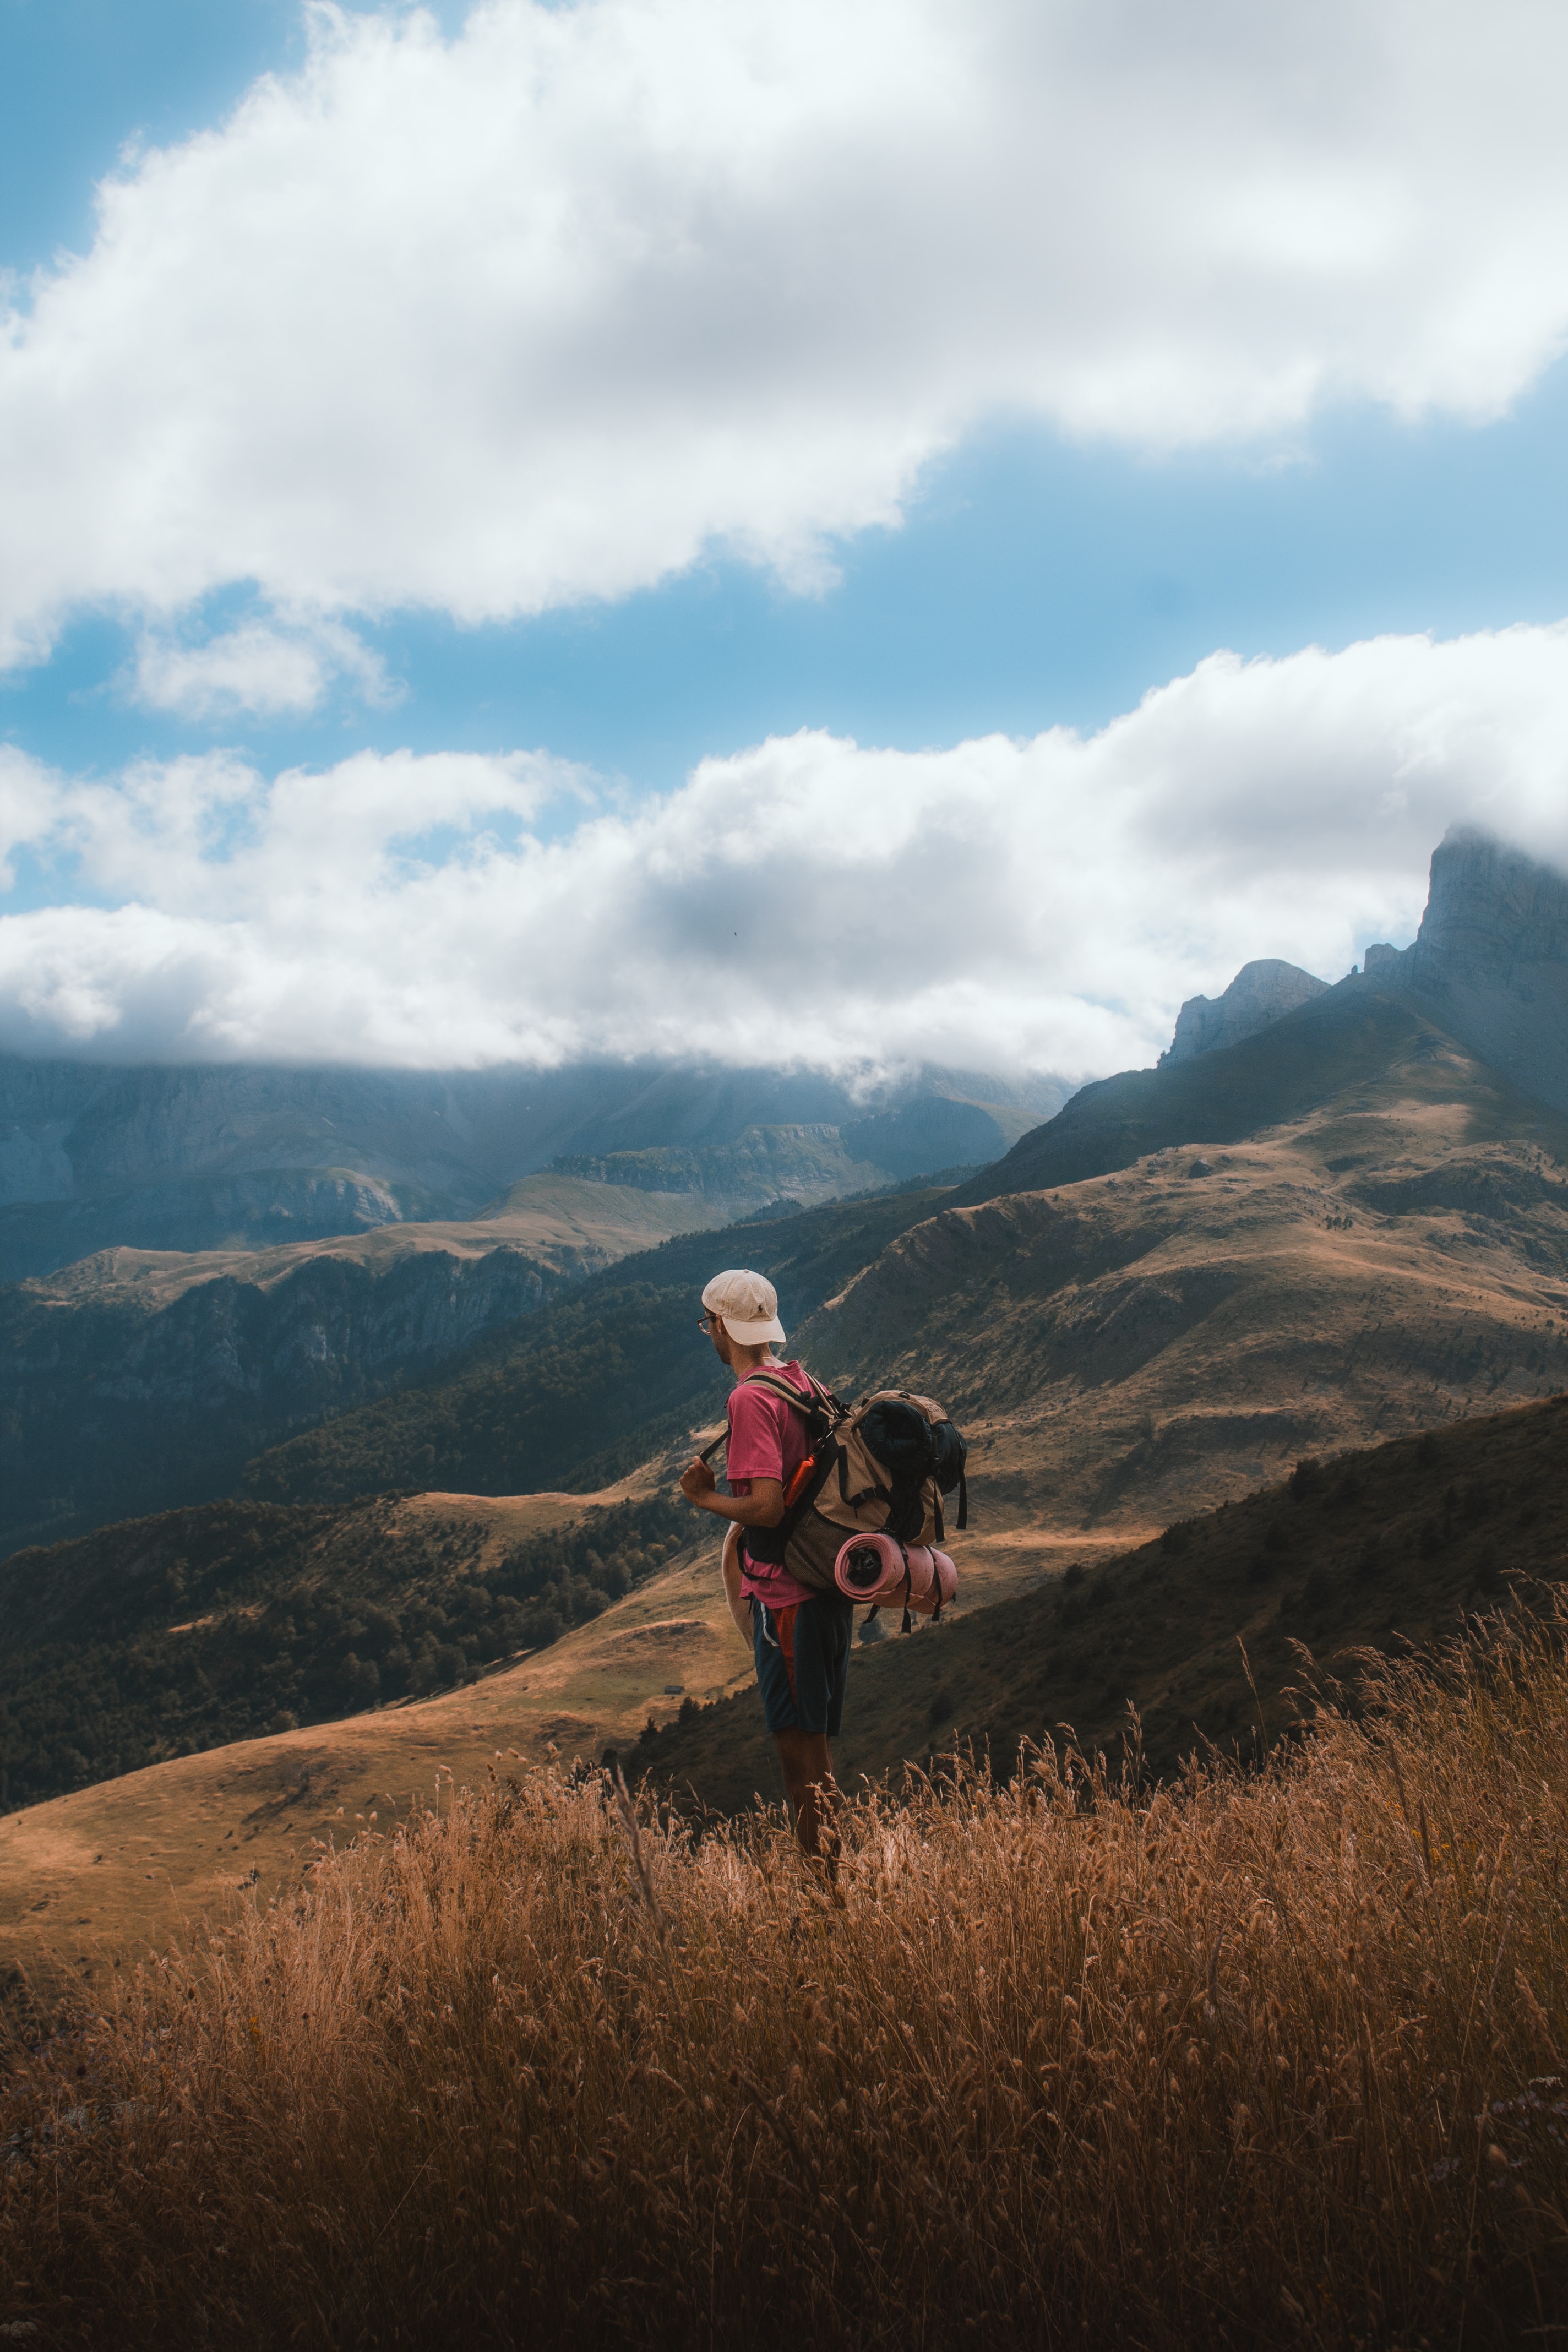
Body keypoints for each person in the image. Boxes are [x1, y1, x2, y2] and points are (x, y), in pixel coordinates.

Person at [678, 1267, 853, 1870]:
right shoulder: (802, 1381)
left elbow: (766, 1507)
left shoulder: (749, 1397)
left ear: (720, 1327)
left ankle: (825, 1889)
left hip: (786, 1599)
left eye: (709, 1325)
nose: (710, 1336)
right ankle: (834, 1880)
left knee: (797, 1757)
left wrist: (703, 1497)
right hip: (825, 1590)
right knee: (816, 1749)